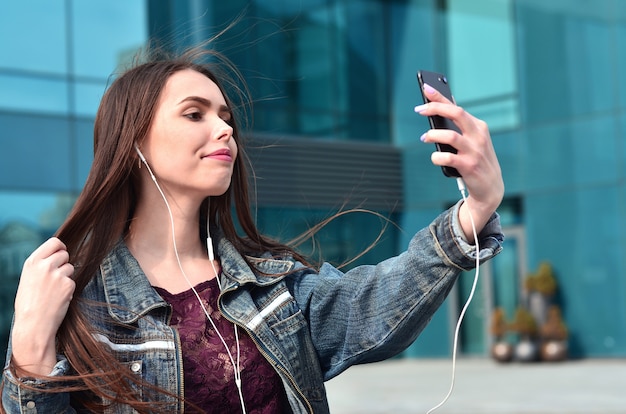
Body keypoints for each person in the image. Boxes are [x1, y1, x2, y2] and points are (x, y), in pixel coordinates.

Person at [1, 45, 504, 413]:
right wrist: (28, 344)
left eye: (225, 116)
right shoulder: (80, 304)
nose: (224, 129)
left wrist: (477, 208)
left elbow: (370, 305)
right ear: (133, 141)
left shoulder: (273, 285)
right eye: (195, 114)